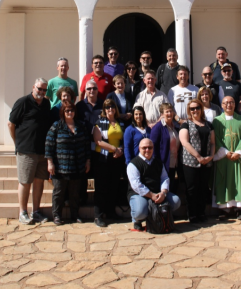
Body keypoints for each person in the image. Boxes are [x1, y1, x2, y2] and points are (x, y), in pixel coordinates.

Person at [7, 78, 52, 225]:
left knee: (39, 182)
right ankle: (23, 212)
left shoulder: (46, 104)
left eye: (44, 90)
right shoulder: (23, 102)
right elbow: (11, 124)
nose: (41, 92)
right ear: (33, 87)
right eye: (39, 89)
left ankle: (36, 211)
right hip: (26, 150)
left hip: (42, 151)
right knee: (25, 181)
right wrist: (17, 144)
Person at [45, 103, 91, 225]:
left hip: (78, 166)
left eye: (71, 111)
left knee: (75, 193)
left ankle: (75, 215)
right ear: (63, 113)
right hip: (61, 167)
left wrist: (87, 160)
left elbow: (86, 144)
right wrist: (50, 163)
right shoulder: (56, 126)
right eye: (67, 111)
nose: (69, 113)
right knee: (59, 193)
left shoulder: (81, 126)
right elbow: (49, 145)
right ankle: (57, 216)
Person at [127, 138, 181, 231]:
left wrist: (163, 193)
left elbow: (165, 178)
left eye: (150, 147)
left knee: (176, 201)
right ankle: (137, 220)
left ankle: (158, 217)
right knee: (140, 212)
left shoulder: (158, 162)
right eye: (144, 148)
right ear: (139, 148)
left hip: (157, 193)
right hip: (139, 194)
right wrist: (151, 195)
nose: (147, 150)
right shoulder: (133, 164)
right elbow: (136, 185)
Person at [213, 96, 241, 220]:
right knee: (225, 181)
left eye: (231, 102)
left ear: (235, 104)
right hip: (224, 157)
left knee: (239, 181)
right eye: (226, 103)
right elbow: (216, 139)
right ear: (222, 105)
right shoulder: (217, 121)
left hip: (238, 157)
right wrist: (225, 152)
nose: (229, 105)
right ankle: (226, 209)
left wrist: (239, 152)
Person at [179, 98, 215, 223]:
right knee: (192, 189)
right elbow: (184, 142)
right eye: (192, 108)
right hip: (191, 162)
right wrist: (198, 157)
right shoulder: (186, 124)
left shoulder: (208, 124)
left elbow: (212, 142)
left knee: (203, 188)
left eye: (197, 108)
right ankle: (192, 214)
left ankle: (201, 212)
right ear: (189, 111)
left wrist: (211, 156)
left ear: (201, 109)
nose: (195, 110)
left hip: (206, 161)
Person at [92, 99, 125, 227]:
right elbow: (98, 141)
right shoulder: (100, 122)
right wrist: (114, 149)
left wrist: (120, 149)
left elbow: (123, 138)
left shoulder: (120, 122)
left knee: (113, 186)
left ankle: (110, 212)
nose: (110, 109)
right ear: (104, 110)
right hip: (103, 158)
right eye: (107, 107)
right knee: (101, 187)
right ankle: (98, 215)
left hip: (116, 158)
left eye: (112, 106)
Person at [150, 103, 180, 193]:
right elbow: (153, 147)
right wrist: (158, 163)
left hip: (174, 163)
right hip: (164, 164)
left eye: (171, 111)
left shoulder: (174, 127)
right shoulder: (158, 127)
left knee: (173, 188)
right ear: (162, 114)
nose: (169, 114)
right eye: (167, 112)